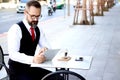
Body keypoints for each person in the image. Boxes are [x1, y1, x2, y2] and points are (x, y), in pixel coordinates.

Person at [8, 1, 52, 80]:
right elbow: (12, 54)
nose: (35, 19)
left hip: (31, 67)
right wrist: (33, 59)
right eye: (32, 16)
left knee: (55, 77)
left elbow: (47, 46)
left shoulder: (38, 29)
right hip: (17, 71)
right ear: (25, 13)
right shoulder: (16, 29)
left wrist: (45, 50)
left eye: (38, 16)